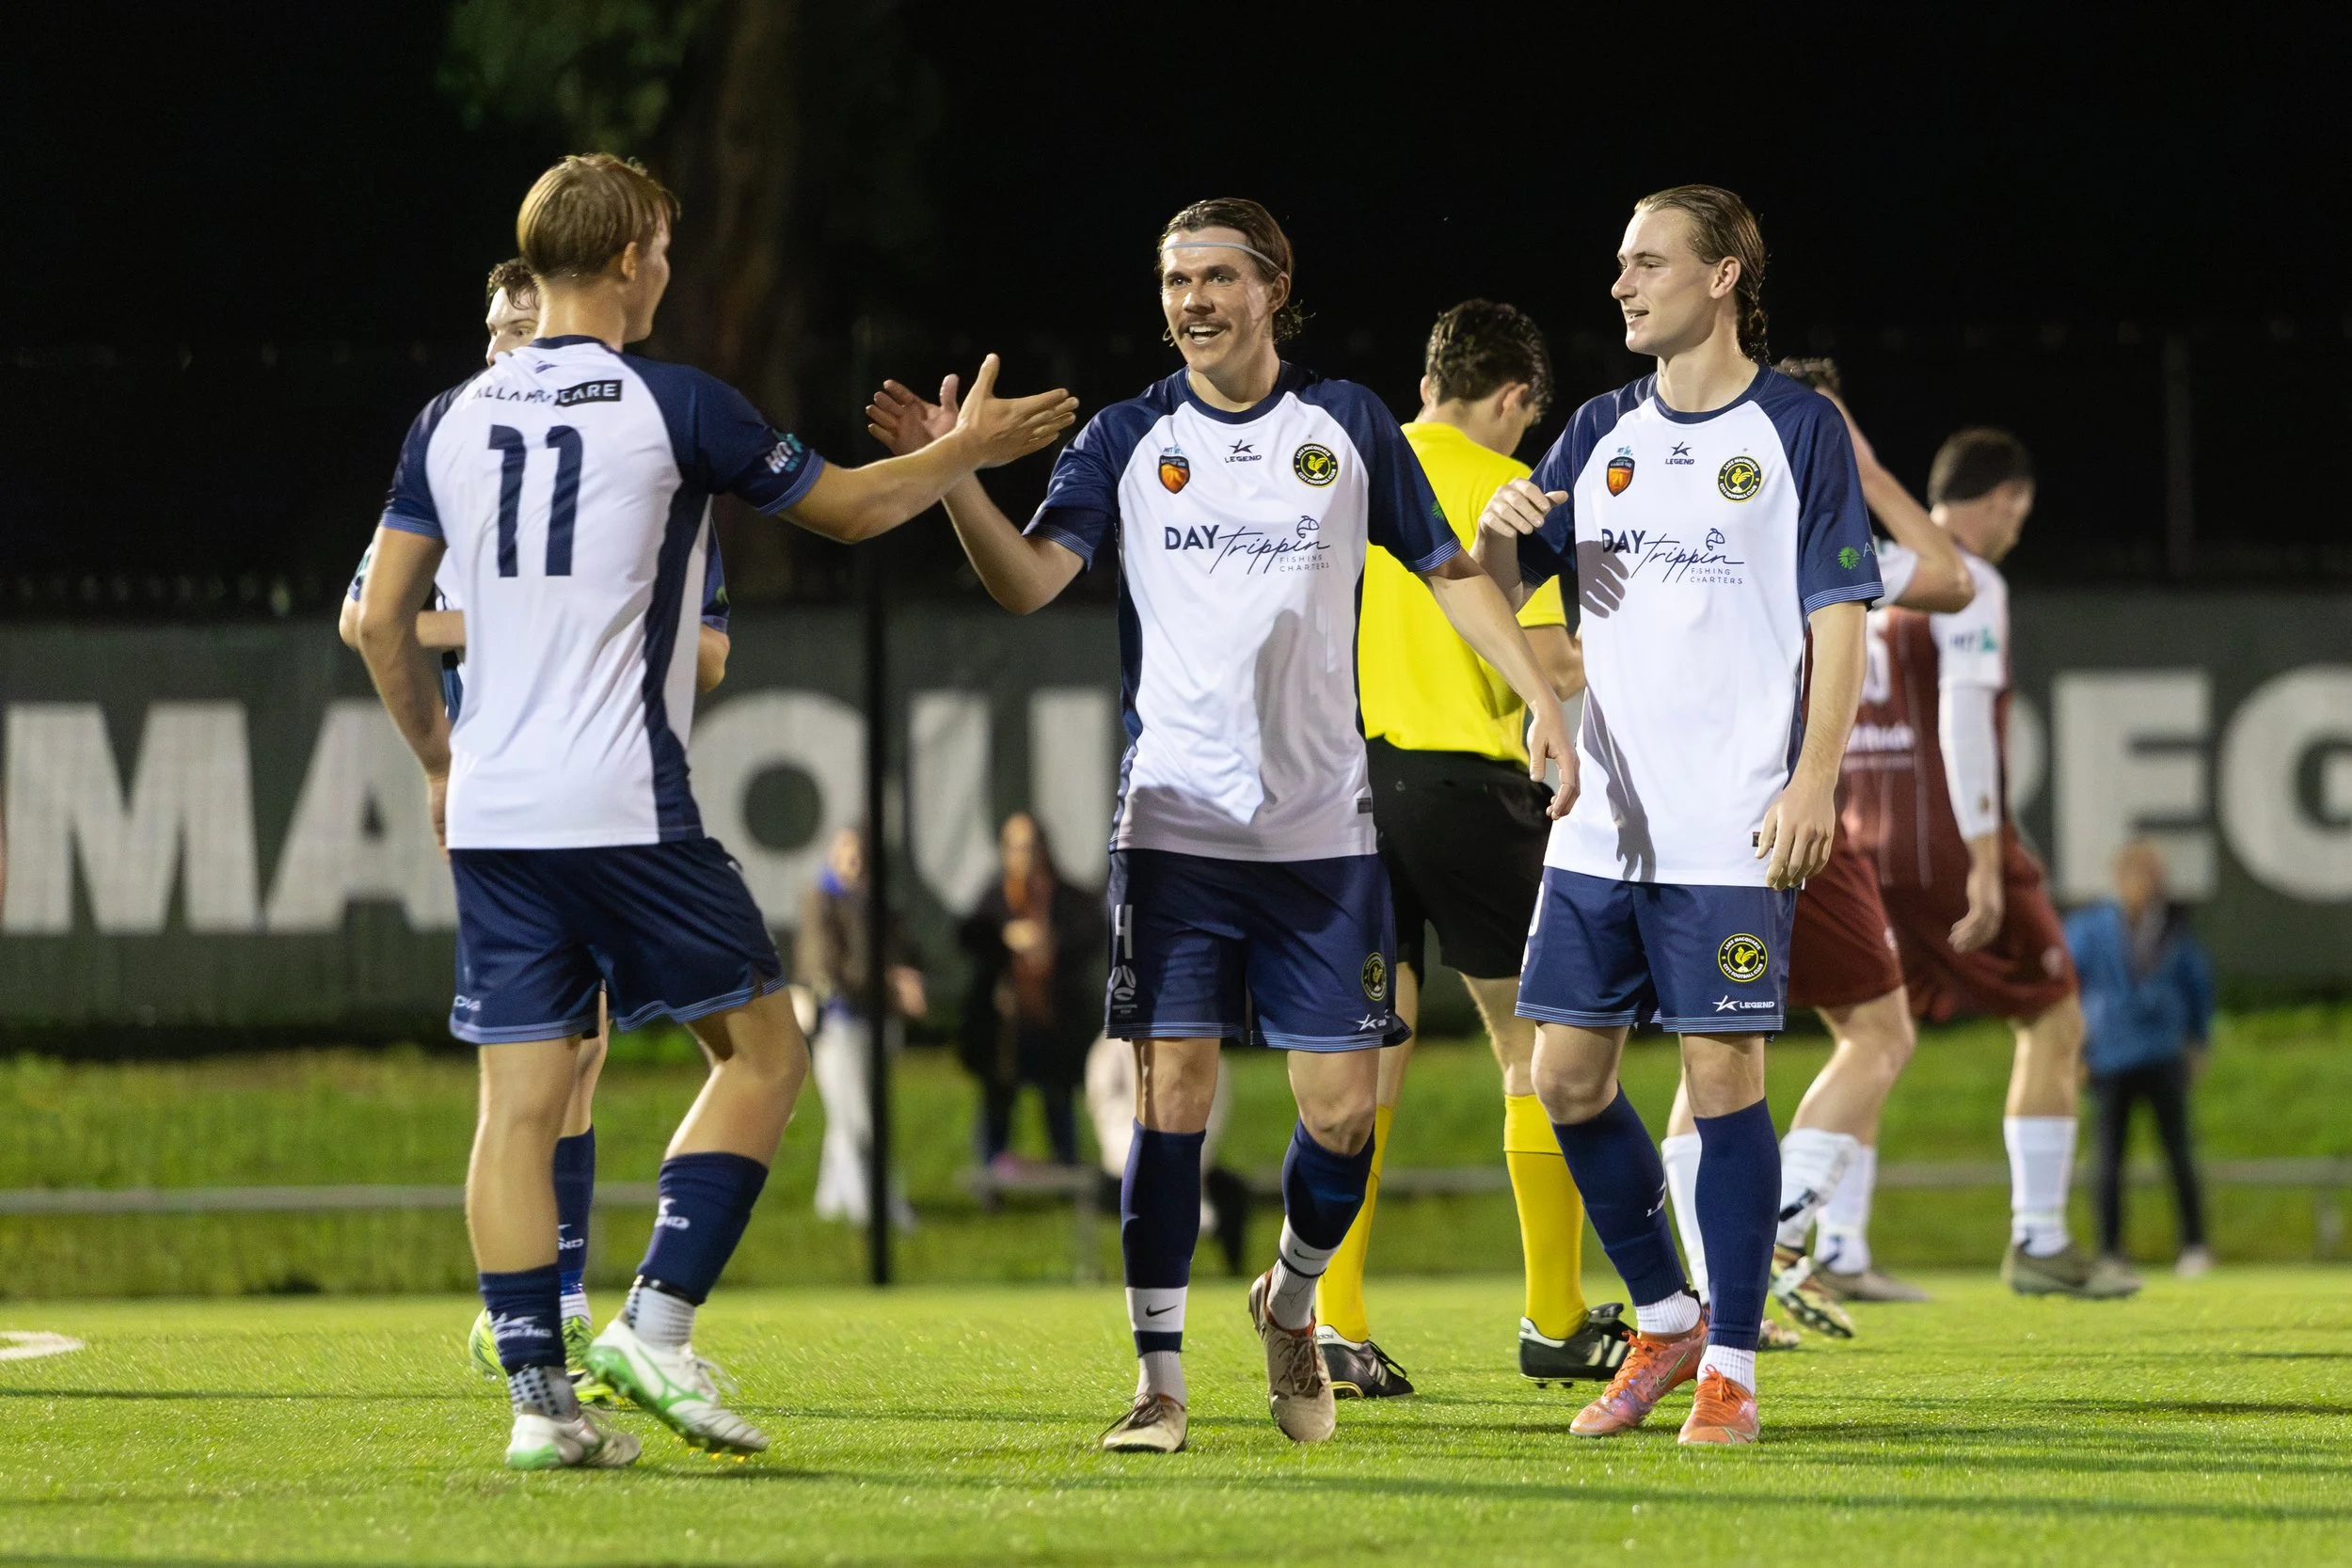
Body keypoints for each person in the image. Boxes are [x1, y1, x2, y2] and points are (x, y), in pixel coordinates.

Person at [356, 151, 1076, 1470]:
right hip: (622, 800)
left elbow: (378, 621)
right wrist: (965, 451)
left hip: (501, 815)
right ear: (632, 255)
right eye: (667, 249)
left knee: (515, 1104)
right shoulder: (675, 403)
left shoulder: (446, 420)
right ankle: (658, 1321)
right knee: (764, 1054)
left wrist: (440, 759)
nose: (670, 269)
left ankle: (538, 1402)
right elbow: (853, 509)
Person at [866, 197, 1572, 1455]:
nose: (1192, 299)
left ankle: (1291, 1300)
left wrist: (1539, 701)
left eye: (1216, 277)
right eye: (1174, 278)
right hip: (1177, 823)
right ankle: (1159, 1378)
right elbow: (1030, 581)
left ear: (1274, 287)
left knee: (1345, 1106)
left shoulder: (1349, 423)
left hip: (1323, 830)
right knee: (1171, 1095)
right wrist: (957, 477)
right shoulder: (1131, 435)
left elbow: (1454, 571)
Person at [1474, 184, 1881, 1447]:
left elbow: (1839, 618)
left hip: (1730, 816)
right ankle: (1664, 1315)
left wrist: (1814, 777)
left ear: (1723, 277)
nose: (1620, 283)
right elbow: (1529, 592)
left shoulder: (1798, 427)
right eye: (1617, 262)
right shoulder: (1599, 430)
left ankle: (1738, 1365)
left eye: (1646, 262)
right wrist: (1501, 556)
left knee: (1720, 1076)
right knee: (1565, 1076)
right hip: (1603, 819)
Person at [339, 257, 737, 1407]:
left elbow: (709, 647)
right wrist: (450, 729)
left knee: (581, 1054)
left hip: (605, 781)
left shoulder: (641, 467)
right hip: (507, 790)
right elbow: (373, 613)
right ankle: (545, 1309)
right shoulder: (464, 458)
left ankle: (548, 1310)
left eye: (530, 321)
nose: (516, 342)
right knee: (543, 1065)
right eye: (499, 327)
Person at [1312, 299, 1623, 1401]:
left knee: (1362, 1061)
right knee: (1537, 1049)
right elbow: (1533, 652)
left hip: (1342, 786)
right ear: (1513, 399)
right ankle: (1552, 1315)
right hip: (1460, 782)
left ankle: (1335, 1322)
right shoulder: (1498, 488)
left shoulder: (1344, 461)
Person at [1658, 356, 1976, 1342]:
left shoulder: (1697, 515)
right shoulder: (1827, 535)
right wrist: (1870, 469)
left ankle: (1717, 1287)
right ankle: (1781, 1223)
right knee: (1878, 1031)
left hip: (1691, 808)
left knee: (1708, 1048)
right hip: (1797, 802)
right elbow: (1957, 578)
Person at [1839, 427, 2137, 1299]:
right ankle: (2040, 1238)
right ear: (2000, 496)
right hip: (1945, 839)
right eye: (2017, 507)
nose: (2016, 525)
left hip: (1861, 834)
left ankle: (1840, 1245)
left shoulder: (1876, 572)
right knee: (2052, 1015)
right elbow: (1964, 723)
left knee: (1870, 1036)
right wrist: (1981, 854)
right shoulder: (1966, 582)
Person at [2068, 840, 2214, 1278]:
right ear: (2120, 878)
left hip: (2162, 1051)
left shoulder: (2172, 929)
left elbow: (2196, 986)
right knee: (2109, 1159)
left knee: (2179, 1152)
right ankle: (2111, 1248)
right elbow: (2069, 990)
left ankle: (2194, 1243)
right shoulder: (2091, 929)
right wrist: (2074, 1051)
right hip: (2110, 1056)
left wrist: (2197, 1041)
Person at [960, 813, 1101, 1171]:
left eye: (1030, 846)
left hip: (1054, 1018)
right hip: (1007, 1025)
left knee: (1059, 1098)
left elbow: (1092, 935)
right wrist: (1008, 938)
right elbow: (970, 939)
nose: (1024, 855)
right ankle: (992, 1173)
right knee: (998, 1100)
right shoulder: (995, 897)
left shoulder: (1065, 897)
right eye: (1015, 847)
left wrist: (1051, 942)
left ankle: (1067, 1170)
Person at [800, 824, 925, 1228]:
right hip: (838, 1025)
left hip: (874, 1022)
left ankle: (831, 1206)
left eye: (859, 852)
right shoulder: (823, 899)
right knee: (857, 1121)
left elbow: (902, 951)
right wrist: (891, 981)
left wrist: (903, 978)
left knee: (847, 1119)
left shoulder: (875, 902)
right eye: (846, 851)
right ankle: (873, 1211)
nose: (853, 860)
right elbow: (830, 970)